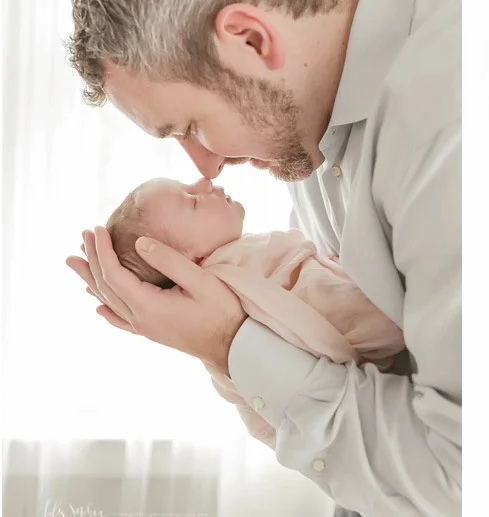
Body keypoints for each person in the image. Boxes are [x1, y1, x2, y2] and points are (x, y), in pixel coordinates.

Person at [61, 0, 461, 517]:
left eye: (190, 125)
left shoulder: (449, 116)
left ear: (249, 37)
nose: (208, 165)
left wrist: (229, 342)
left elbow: (464, 486)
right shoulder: (315, 121)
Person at [104, 177, 407, 450]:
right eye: (193, 201)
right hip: (358, 344)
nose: (205, 182)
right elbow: (297, 323)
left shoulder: (241, 257)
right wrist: (352, 347)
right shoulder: (229, 278)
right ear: (190, 262)